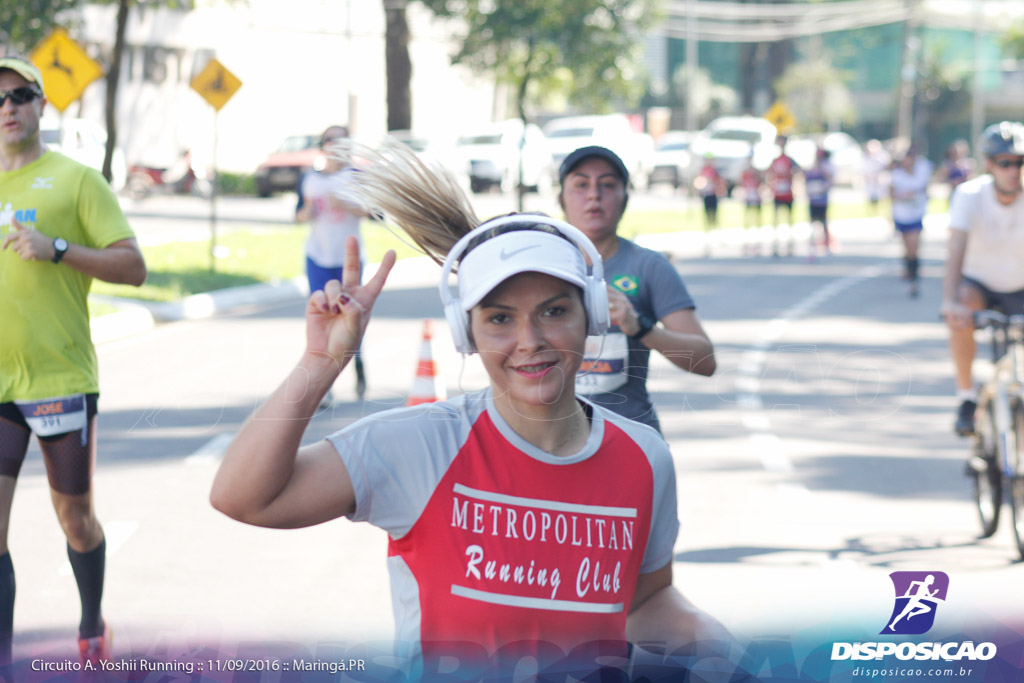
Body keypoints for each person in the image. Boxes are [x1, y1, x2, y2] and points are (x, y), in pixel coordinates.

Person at [209, 140, 730, 677]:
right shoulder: (418, 447)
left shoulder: (645, 458)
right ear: (466, 332)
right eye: (500, 319)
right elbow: (243, 498)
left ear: (591, 316)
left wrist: (710, 638)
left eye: (554, 311)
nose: (530, 340)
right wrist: (320, 363)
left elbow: (642, 604)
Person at [0, 55, 147, 666]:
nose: (7, 109)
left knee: (76, 519)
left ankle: (90, 623)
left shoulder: (78, 180)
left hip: (60, 379)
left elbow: (133, 268)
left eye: (19, 96)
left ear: (40, 104)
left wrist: (57, 248)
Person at [556, 146, 716, 434]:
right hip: (549, 445)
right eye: (581, 184)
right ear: (561, 199)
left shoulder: (649, 266)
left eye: (607, 184)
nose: (594, 194)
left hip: (630, 439)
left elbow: (704, 361)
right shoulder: (539, 268)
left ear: (624, 199)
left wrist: (640, 327)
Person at [941, 122, 1024, 436]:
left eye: (1020, 162)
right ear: (989, 165)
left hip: (1020, 285)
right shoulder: (969, 195)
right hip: (980, 285)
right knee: (962, 308)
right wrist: (949, 301)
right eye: (1005, 163)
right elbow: (955, 252)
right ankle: (966, 398)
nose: (1013, 171)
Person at [295, 125, 368, 401]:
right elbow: (299, 214)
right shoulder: (310, 179)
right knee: (322, 316)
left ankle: (358, 364)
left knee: (349, 318)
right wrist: (306, 212)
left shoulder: (356, 176)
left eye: (341, 140)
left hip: (348, 260)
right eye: (330, 140)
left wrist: (346, 204)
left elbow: (374, 213)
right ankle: (325, 386)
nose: (335, 145)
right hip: (317, 256)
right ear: (322, 145)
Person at [890, 143, 933, 298]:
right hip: (901, 215)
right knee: (906, 248)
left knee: (914, 246)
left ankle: (914, 280)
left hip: (916, 214)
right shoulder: (897, 175)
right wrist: (904, 196)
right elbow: (891, 195)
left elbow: (926, 189)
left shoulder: (921, 173)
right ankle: (907, 268)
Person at [766, 135, 800, 257]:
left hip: (788, 193)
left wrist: (795, 185)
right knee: (776, 219)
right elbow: (769, 175)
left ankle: (790, 245)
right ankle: (775, 245)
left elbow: (797, 173)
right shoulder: (775, 160)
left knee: (789, 219)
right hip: (777, 193)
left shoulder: (790, 160)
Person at [804, 146, 835, 258]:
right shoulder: (810, 170)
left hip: (822, 200)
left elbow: (830, 182)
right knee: (812, 223)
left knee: (824, 223)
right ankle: (813, 247)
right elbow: (806, 183)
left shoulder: (824, 170)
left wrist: (822, 188)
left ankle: (826, 245)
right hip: (813, 200)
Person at [693, 152, 725, 253]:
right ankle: (707, 236)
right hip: (706, 195)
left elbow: (719, 182)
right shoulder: (703, 171)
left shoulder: (715, 171)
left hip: (713, 194)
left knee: (715, 216)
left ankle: (716, 235)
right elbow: (699, 182)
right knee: (707, 215)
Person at [936, 139, 973, 205]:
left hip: (968, 193)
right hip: (954, 193)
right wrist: (951, 182)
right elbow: (939, 179)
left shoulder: (969, 164)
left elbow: (974, 178)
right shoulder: (948, 165)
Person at [740, 154, 764, 256]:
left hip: (756, 197)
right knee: (747, 221)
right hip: (748, 197)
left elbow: (761, 183)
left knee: (757, 220)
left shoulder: (756, 173)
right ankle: (746, 244)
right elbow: (742, 184)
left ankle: (757, 244)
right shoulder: (745, 173)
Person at [862, 139, 890, 213]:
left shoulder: (883, 156)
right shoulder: (866, 157)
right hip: (871, 181)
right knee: (872, 198)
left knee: (884, 197)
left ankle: (884, 212)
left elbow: (887, 166)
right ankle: (873, 211)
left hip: (881, 181)